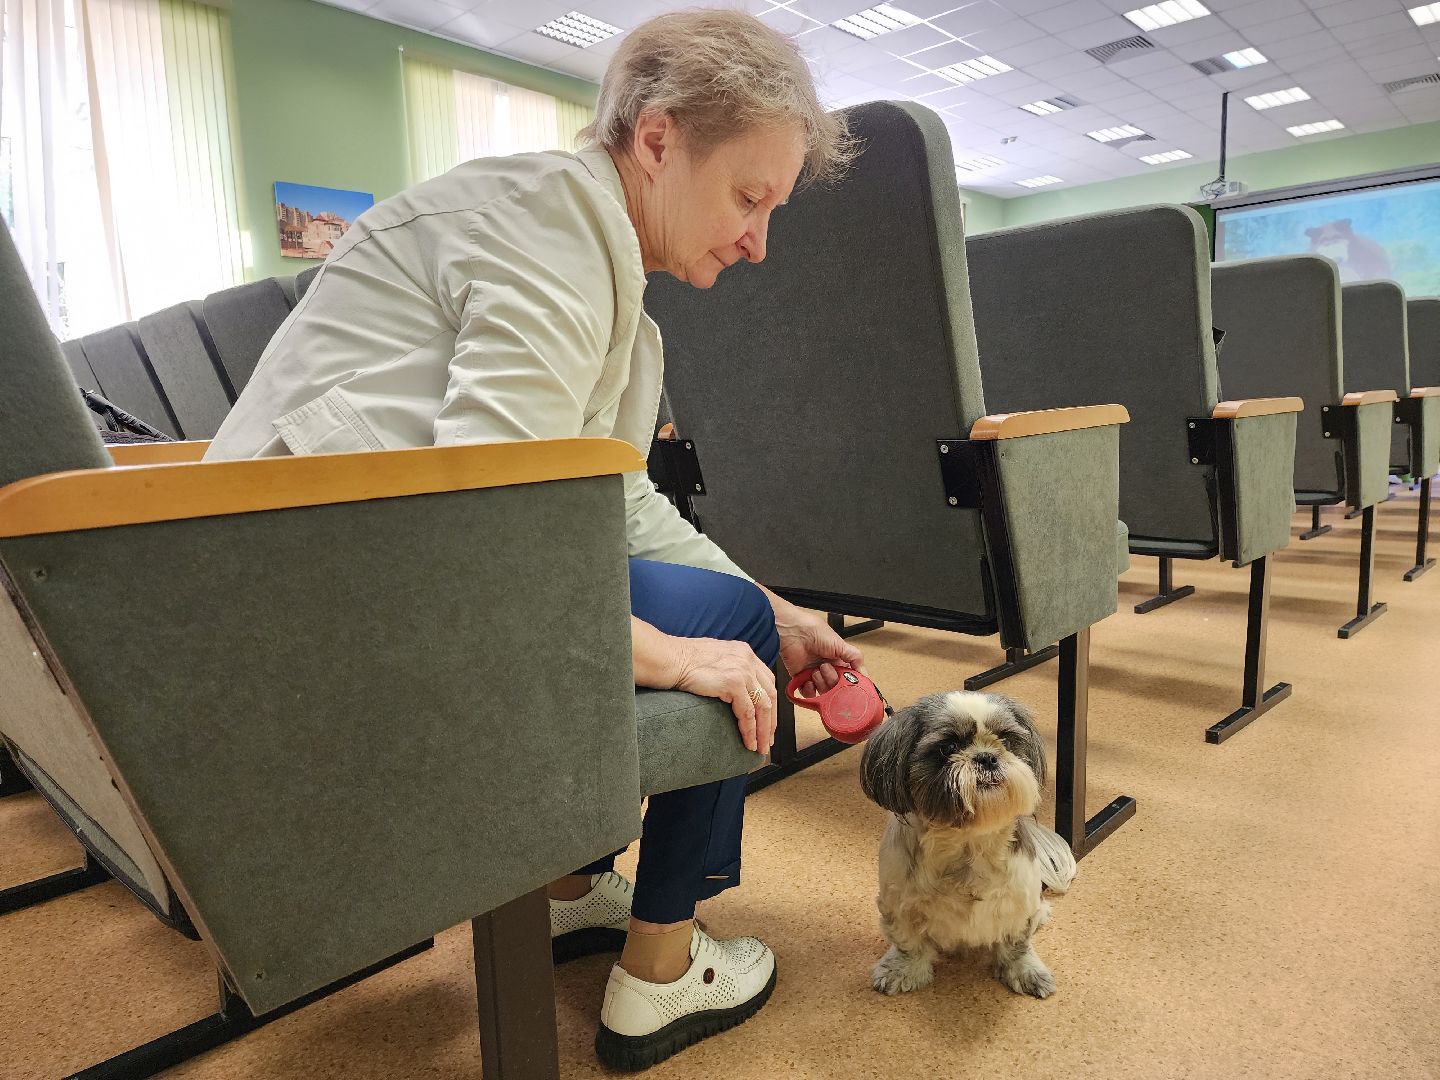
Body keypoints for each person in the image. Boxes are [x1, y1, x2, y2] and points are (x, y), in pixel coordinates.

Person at [203, 9, 861, 1069]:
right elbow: (494, 543)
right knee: (714, 633)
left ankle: (564, 891)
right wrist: (675, 654)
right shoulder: (552, 226)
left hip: (333, 585)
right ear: (656, 139)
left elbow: (613, 503)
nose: (759, 240)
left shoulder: (576, 244)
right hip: (319, 631)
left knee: (737, 616)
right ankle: (661, 969)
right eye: (749, 197)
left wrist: (777, 613)